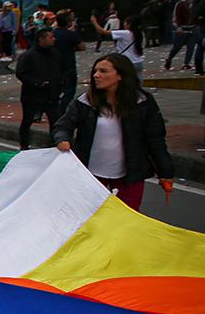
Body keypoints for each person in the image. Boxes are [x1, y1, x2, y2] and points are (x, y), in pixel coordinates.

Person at [53, 53, 173, 211]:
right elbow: (63, 125)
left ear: (120, 75)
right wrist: (62, 138)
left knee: (126, 219)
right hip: (90, 175)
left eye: (103, 71)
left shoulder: (142, 102)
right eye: (95, 71)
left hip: (129, 176)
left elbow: (155, 138)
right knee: (89, 219)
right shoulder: (85, 101)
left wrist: (166, 171)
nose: (96, 75)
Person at [15, 29, 63, 149]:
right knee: (28, 120)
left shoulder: (55, 54)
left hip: (51, 94)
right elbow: (21, 73)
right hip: (32, 94)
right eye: (50, 37)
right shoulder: (28, 55)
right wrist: (37, 83)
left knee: (55, 120)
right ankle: (24, 145)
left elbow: (61, 70)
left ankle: (55, 144)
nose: (54, 39)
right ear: (41, 39)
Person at [88, 14, 146, 83]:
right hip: (139, 62)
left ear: (130, 24)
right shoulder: (140, 34)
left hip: (127, 62)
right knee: (138, 83)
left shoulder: (125, 33)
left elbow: (103, 32)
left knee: (126, 84)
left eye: (125, 23)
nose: (124, 24)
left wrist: (94, 22)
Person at [53, 11, 85, 114]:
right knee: (69, 91)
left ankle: (49, 110)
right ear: (68, 22)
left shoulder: (52, 34)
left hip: (54, 66)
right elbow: (82, 47)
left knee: (54, 90)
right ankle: (62, 111)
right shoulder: (71, 34)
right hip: (68, 66)